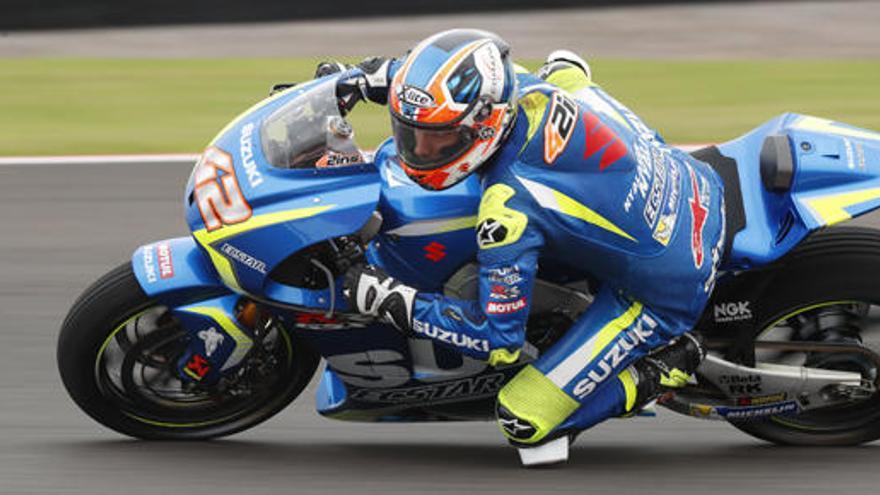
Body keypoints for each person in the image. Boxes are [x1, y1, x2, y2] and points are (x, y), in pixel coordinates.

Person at [328, 29, 727, 466]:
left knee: (524, 420)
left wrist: (386, 297)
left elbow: (498, 340)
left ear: (482, 127)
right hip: (687, 180)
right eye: (411, 132)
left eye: (438, 139)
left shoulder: (508, 210)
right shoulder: (519, 88)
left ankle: (666, 365)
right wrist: (352, 82)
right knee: (563, 74)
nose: (419, 149)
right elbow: (413, 77)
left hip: (668, 283)